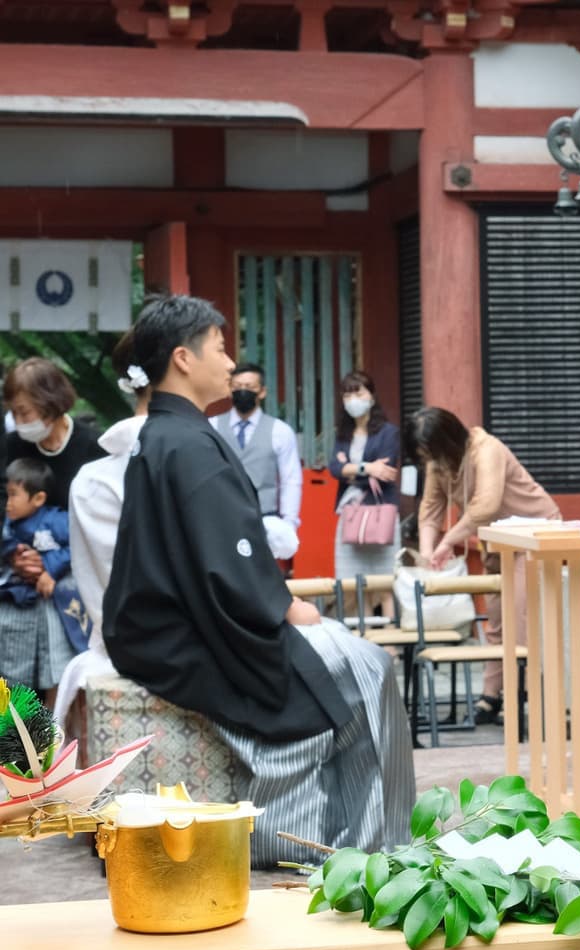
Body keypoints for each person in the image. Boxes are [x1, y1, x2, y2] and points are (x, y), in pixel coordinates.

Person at [104, 295, 413, 864]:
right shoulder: (187, 443)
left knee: (348, 666)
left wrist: (273, 597)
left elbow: (217, 551)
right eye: (219, 349)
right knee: (368, 668)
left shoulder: (170, 435)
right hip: (191, 633)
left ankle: (352, 833)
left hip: (168, 623)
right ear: (183, 359)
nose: (229, 365)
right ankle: (373, 847)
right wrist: (282, 606)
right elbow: (227, 561)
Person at [409, 407, 560, 724]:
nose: (429, 462)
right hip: (499, 543)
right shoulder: (440, 464)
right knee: (496, 622)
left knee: (521, 619)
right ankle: (492, 694)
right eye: (423, 456)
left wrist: (447, 541)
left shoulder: (487, 449)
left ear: (448, 441)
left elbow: (485, 506)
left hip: (535, 535)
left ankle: (520, 696)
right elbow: (430, 508)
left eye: (430, 453)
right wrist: (427, 555)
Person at [54, 335, 151, 727]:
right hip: (135, 631)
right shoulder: (99, 477)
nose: (229, 363)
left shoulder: (93, 461)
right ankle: (23, 755)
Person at [0, 458, 86, 687]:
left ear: (38, 498)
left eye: (13, 494)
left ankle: (52, 720)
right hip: (14, 605)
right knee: (12, 674)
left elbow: (78, 544)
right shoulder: (7, 525)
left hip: (52, 606)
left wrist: (48, 567)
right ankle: (14, 722)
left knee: (56, 670)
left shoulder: (56, 521)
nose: (7, 503)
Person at [329, 371, 402, 620]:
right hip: (350, 514)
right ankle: (366, 636)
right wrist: (367, 467)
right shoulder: (343, 434)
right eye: (348, 394)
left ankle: (392, 641)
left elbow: (387, 470)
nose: (353, 399)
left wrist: (351, 467)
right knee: (355, 582)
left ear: (371, 396)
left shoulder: (389, 432)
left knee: (384, 582)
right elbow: (335, 469)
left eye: (358, 392)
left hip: (380, 513)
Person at [209, 361, 303, 536]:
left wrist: (289, 523)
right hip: (220, 517)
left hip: (265, 519)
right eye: (237, 386)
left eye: (249, 386)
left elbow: (290, 480)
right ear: (230, 390)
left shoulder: (280, 431)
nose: (242, 390)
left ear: (262, 391)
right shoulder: (211, 427)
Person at [3, 357, 104, 509]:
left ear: (50, 404)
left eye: (24, 412)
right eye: (13, 413)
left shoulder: (96, 446)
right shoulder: (10, 446)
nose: (18, 422)